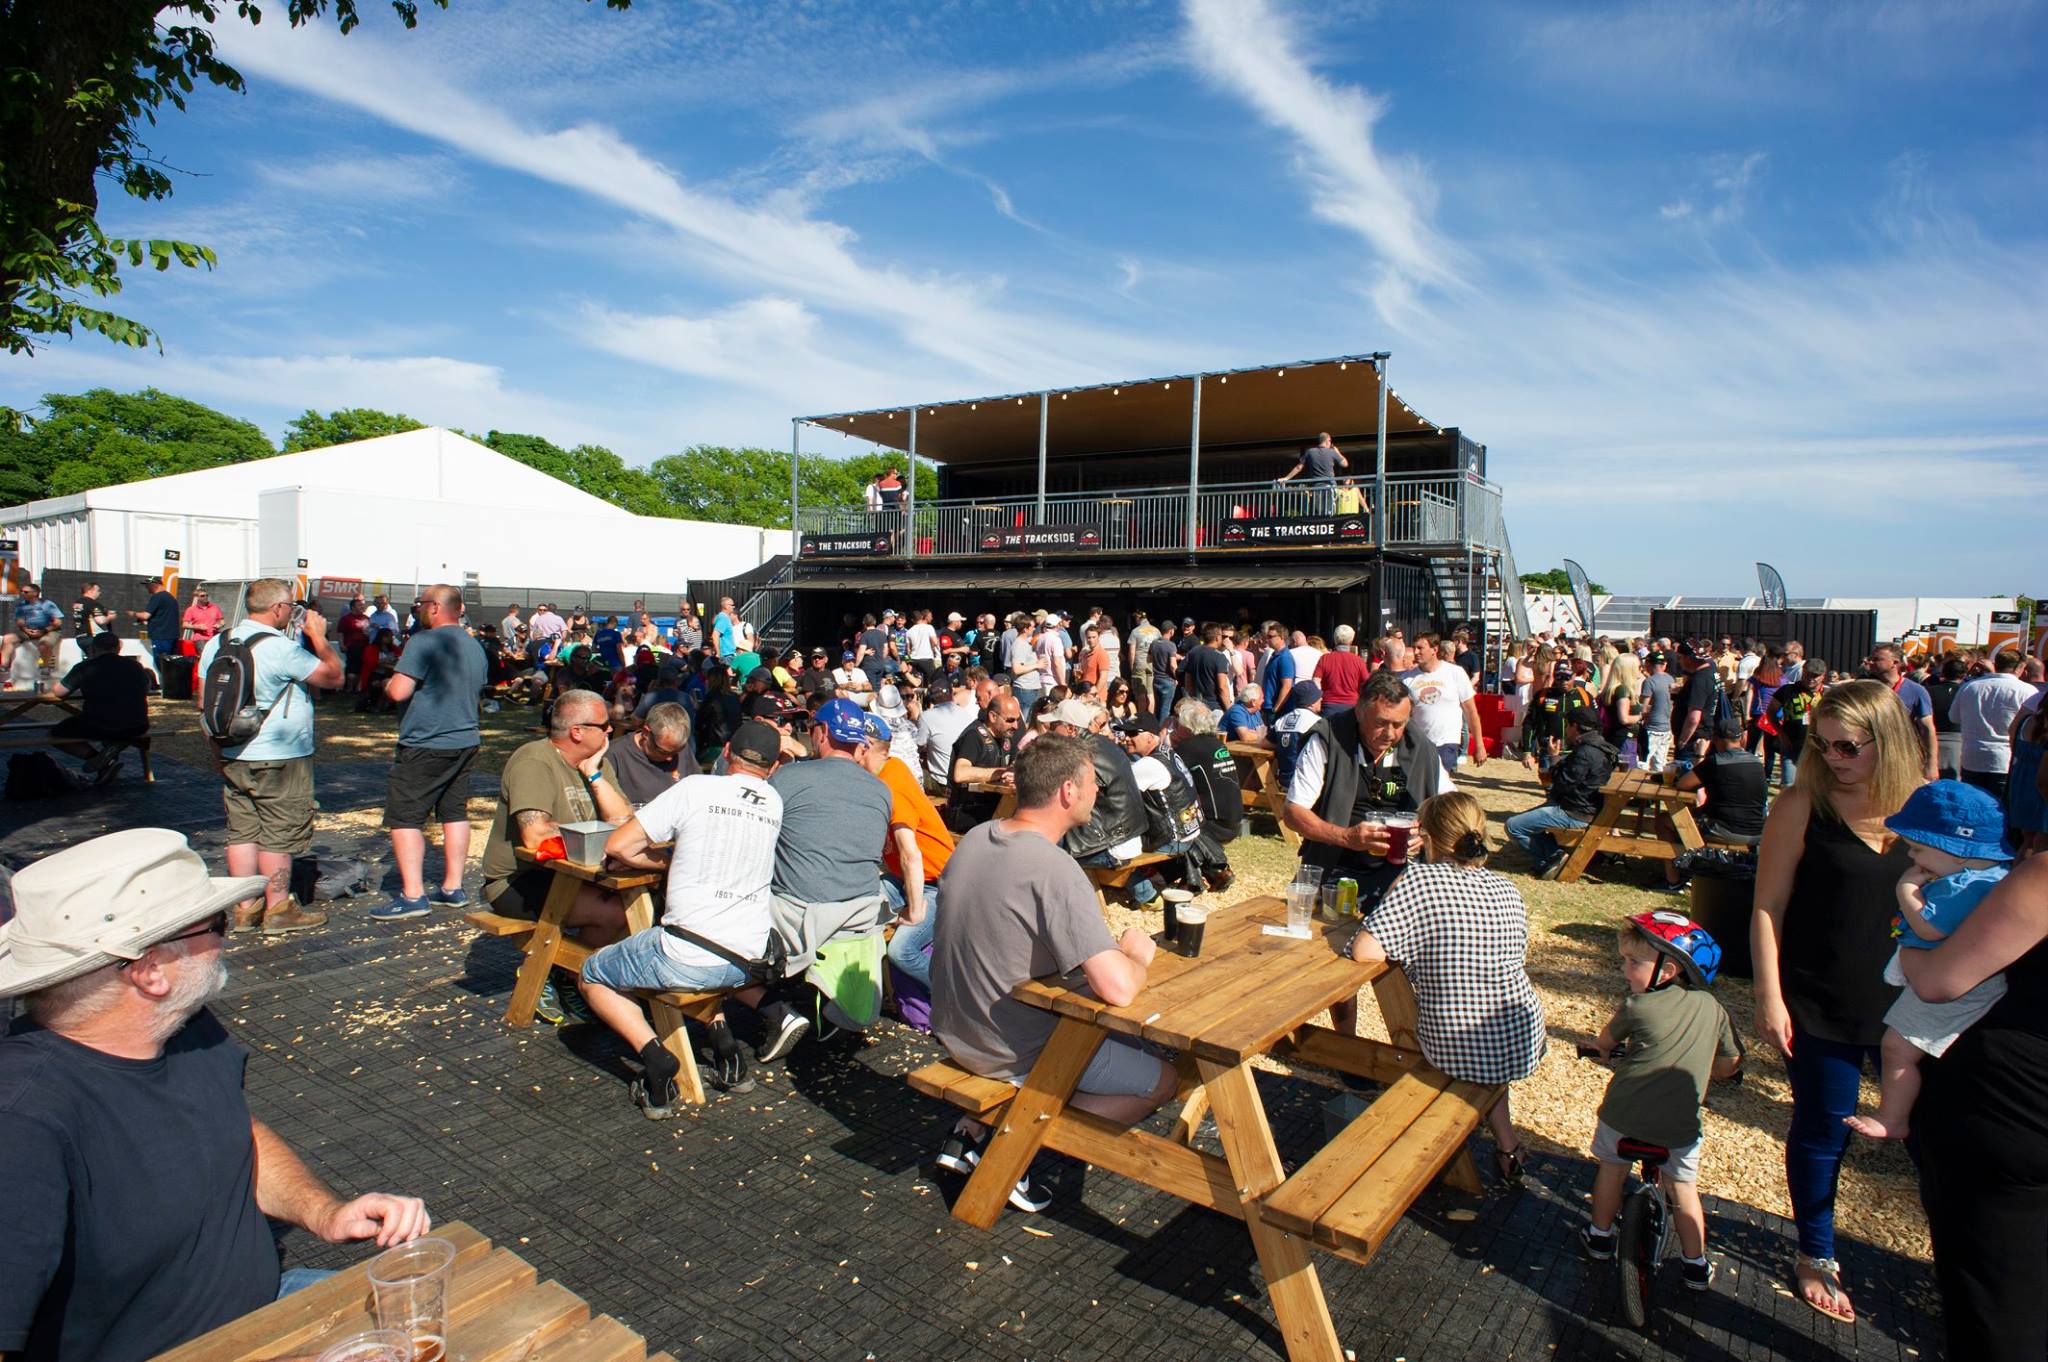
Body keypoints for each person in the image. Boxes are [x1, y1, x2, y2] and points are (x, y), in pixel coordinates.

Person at [0, 829, 431, 1361]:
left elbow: (233, 1132)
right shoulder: (22, 1123)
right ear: (150, 970)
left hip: (274, 1303)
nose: (227, 940)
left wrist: (326, 1213)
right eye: (217, 925)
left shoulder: (184, 1025)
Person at [929, 733, 1177, 1211]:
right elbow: (1120, 989)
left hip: (959, 1027)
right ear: (1067, 792)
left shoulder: (979, 837)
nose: (1097, 792)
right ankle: (1014, 1143)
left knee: (1125, 1040)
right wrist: (1138, 955)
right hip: (1017, 1047)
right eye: (1091, 783)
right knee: (1163, 1078)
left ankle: (977, 1131)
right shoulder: (1054, 868)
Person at [1749, 679, 1924, 1323]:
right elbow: (1767, 906)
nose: (1832, 760)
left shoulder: (1926, 807)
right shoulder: (1800, 804)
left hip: (1914, 1006)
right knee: (1823, 1129)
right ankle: (1816, 1253)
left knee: (1935, 1136)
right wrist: (1770, 995)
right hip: (1820, 996)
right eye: (1820, 747)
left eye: (1847, 747)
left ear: (1889, 739)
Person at [579, 719, 789, 1106]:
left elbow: (618, 846)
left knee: (593, 972)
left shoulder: (694, 789)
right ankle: (724, 1044)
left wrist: (666, 863)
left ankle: (655, 1058)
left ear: (725, 753)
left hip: (687, 954)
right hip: (748, 962)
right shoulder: (774, 803)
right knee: (686, 954)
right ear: (773, 768)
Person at [1347, 792, 1546, 1180]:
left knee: (1423, 1052)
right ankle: (1509, 1147)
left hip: (1455, 1040)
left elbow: (1365, 951)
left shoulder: (1421, 880)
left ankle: (1410, 1157)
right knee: (1484, 1052)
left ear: (1428, 838)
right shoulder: (1505, 887)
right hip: (1520, 1035)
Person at [1898, 853, 2048, 1361]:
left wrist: (1907, 936)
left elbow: (1940, 980)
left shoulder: (2043, 875)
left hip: (2015, 1109)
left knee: (1999, 1307)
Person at [1578, 913, 1743, 1290]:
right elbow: (1729, 1063)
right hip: (1678, 1126)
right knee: (1683, 1190)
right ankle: (1695, 1264)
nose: (1624, 969)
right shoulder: (1714, 1009)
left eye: (1633, 962)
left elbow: (1604, 1044)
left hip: (1623, 1115)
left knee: (1612, 1168)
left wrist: (1599, 1051)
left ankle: (1599, 1236)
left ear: (1668, 970)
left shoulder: (1636, 1006)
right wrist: (1717, 1072)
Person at [1842, 780, 2013, 1142]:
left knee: (1896, 1049)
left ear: (1958, 850)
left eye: (1918, 849)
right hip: (1966, 984)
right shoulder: (1992, 877)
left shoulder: (1966, 885)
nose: (1912, 858)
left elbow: (1930, 928)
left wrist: (1906, 892)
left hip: (1954, 988)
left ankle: (1893, 1116)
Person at [477, 689, 634, 1024]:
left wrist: (594, 776)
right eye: (604, 725)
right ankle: (557, 970)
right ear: (578, 731)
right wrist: (592, 834)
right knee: (619, 914)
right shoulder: (534, 760)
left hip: (579, 875)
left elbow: (623, 821)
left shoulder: (596, 764)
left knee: (641, 907)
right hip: (519, 881)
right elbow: (535, 835)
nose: (611, 731)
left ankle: (567, 972)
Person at [197, 578, 337, 935]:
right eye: (290, 606)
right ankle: (278, 909)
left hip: (232, 750)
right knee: (279, 832)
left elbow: (203, 702)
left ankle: (245, 908)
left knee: (242, 830)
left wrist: (217, 751)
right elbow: (333, 677)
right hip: (280, 754)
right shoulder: (280, 648)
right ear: (278, 609)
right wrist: (319, 638)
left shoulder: (218, 642)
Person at [762, 698, 893, 1050]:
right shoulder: (881, 790)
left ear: (820, 733)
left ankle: (772, 1010)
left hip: (802, 916)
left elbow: (757, 838)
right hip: (863, 914)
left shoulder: (788, 778)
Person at [1283, 670, 1452, 918]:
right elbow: (1293, 812)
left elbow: (1454, 808)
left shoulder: (1421, 748)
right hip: (1336, 866)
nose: (1390, 733)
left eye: (1399, 724)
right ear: (1359, 712)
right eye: (1381, 723)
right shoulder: (1328, 738)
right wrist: (1346, 836)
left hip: (1405, 872)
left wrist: (1428, 833)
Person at [376, 585, 487, 922]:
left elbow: (398, 691)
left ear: (436, 607)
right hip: (465, 738)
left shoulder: (423, 642)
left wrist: (385, 683)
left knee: (405, 817)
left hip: (426, 741)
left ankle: (413, 894)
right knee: (454, 813)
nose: (417, 609)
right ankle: (453, 887)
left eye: (421, 604)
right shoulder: (473, 645)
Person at [861, 715, 954, 991]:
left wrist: (914, 911)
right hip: (905, 879)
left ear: (865, 746)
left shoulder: (891, 785)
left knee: (901, 951)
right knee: (856, 908)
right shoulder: (886, 770)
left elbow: (910, 855)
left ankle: (954, 997)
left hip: (938, 884)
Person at [1504, 706, 1618, 878]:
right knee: (1531, 821)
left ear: (1576, 726)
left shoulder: (1584, 752)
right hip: (1589, 808)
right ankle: (1553, 855)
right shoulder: (1603, 747)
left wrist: (1554, 758)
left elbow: (1561, 785)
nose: (1565, 729)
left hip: (1574, 812)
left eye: (1567, 725)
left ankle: (1552, 858)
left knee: (1513, 826)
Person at [1658, 717, 1769, 891]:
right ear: (1741, 739)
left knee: (1664, 821)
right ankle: (1685, 867)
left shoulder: (1716, 762)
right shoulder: (1757, 763)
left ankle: (1673, 880)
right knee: (1690, 815)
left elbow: (1682, 784)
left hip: (1726, 829)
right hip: (1757, 831)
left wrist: (1700, 754)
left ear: (1716, 740)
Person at [47, 633, 151, 781]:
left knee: (56, 734)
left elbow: (59, 692)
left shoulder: (85, 667)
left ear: (94, 648)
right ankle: (107, 758)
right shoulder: (135, 665)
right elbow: (146, 687)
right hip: (137, 724)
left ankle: (100, 760)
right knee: (113, 721)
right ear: (118, 647)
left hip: (101, 724)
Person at [1951, 649, 2035, 801]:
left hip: (1972, 757)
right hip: (2005, 761)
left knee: (1972, 808)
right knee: (2000, 811)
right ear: (2020, 668)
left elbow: (1954, 717)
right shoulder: (2027, 691)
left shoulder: (1970, 687)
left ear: (1996, 664)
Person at [1401, 632, 1484, 774]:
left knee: (1439, 785)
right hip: (1418, 743)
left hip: (1446, 742)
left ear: (1435, 649)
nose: (1416, 652)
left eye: (1420, 648)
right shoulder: (1407, 679)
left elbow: (1471, 711)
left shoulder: (1455, 673)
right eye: (1414, 648)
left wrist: (1479, 745)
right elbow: (1402, 715)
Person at [946, 693, 1022, 832]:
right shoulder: (974, 736)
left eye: (1017, 720)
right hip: (966, 810)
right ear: (993, 717)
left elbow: (1014, 764)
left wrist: (1013, 771)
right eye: (1010, 720)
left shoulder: (1005, 736)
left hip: (990, 805)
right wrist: (1000, 773)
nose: (1016, 726)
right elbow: (960, 773)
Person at [1867, 643, 1939, 783]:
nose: (1871, 662)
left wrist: (1931, 764)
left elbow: (1927, 728)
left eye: (1877, 659)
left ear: (1895, 662)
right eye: (1871, 658)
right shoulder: (1867, 688)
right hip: (1870, 756)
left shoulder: (1916, 691)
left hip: (1902, 758)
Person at [610, 701, 691, 804]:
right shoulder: (615, 754)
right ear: (646, 733)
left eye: (677, 751)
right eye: (663, 751)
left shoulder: (677, 748)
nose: (670, 758)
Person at [1765, 658, 1827, 788]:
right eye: (1808, 674)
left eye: (1815, 676)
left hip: (1818, 750)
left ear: (1823, 676)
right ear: (1802, 672)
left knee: (1816, 788)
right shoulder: (1787, 690)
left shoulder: (1828, 694)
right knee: (1789, 786)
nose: (1811, 678)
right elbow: (1770, 712)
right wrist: (1781, 733)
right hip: (1791, 746)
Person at [1924, 656, 1968, 780]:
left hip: (1929, 741)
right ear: (1964, 674)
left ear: (1943, 672)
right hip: (1958, 743)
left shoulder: (1928, 691)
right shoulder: (1968, 691)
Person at [1312, 623, 1369, 715]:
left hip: (1328, 706)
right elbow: (1367, 684)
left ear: (1335, 639)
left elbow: (1315, 681)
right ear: (1351, 641)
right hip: (1351, 706)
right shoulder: (1358, 661)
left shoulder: (1325, 658)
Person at [126, 577, 182, 664]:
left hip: (161, 636)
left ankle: (163, 677)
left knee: (161, 663)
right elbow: (163, 617)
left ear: (154, 585)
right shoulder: (171, 598)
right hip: (172, 636)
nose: (146, 588)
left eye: (147, 586)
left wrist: (133, 613)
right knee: (171, 662)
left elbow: (145, 615)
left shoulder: (157, 597)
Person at [1179, 622, 1231, 715]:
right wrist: (1229, 710)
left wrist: (1192, 701)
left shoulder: (1193, 652)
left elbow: (1188, 681)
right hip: (1215, 708)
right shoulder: (1219, 657)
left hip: (1197, 706)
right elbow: (1222, 687)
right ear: (1217, 637)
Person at [1146, 620, 1179, 717]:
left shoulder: (1154, 643)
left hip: (1156, 679)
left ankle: (1155, 729)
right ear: (1171, 631)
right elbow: (1173, 666)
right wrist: (1177, 678)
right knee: (1165, 710)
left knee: (1157, 708)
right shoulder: (1171, 645)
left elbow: (1149, 659)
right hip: (1168, 680)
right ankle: (1161, 731)